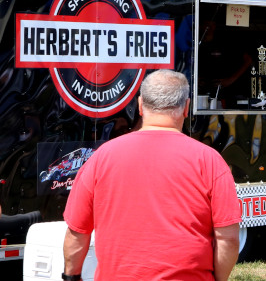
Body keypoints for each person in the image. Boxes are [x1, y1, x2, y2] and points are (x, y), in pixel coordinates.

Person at [62, 70, 242, 281]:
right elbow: (227, 238)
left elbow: (77, 233)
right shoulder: (210, 161)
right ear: (186, 108)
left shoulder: (101, 158)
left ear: (140, 105)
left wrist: (71, 277)